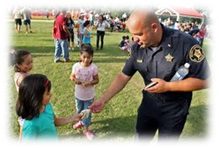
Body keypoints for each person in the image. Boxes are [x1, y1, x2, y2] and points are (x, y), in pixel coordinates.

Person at [89, 10, 209, 140]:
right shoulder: (137, 47)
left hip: (174, 111)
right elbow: (123, 76)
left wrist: (168, 86)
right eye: (133, 35)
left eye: (139, 34)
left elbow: (205, 80)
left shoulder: (186, 43)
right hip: (148, 105)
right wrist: (103, 100)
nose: (135, 39)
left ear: (154, 27)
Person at [16, 74, 82, 139]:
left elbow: (55, 121)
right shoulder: (30, 125)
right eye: (47, 93)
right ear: (36, 98)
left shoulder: (47, 106)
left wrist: (72, 118)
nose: (50, 94)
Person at [70, 44, 99, 140]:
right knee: (79, 111)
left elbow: (97, 80)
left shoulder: (93, 67)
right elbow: (72, 76)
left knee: (87, 113)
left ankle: (86, 130)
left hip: (89, 96)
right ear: (80, 56)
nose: (86, 59)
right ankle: (81, 122)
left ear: (92, 57)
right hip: (78, 95)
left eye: (89, 57)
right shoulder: (76, 66)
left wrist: (90, 82)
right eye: (84, 57)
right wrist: (75, 80)